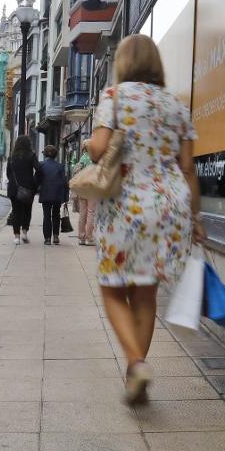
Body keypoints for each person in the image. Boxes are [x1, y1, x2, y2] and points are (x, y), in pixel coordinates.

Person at [84, 35, 203, 404]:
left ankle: (136, 364)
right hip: (170, 208)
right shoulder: (177, 105)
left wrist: (90, 144)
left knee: (112, 288)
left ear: (123, 63)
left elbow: (99, 149)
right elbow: (188, 168)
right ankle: (136, 369)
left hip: (126, 205)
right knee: (145, 292)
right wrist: (195, 217)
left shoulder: (114, 97)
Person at [6, 135, 38, 244]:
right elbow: (38, 169)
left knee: (16, 212)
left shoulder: (11, 158)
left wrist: (13, 182)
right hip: (28, 188)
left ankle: (16, 237)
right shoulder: (31, 155)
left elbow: (8, 173)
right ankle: (24, 232)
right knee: (27, 211)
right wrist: (34, 182)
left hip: (14, 188)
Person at [36, 145, 68, 245]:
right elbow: (64, 182)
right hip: (57, 194)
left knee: (46, 215)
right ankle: (56, 236)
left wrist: (35, 189)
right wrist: (66, 197)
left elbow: (37, 179)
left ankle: (47, 239)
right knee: (56, 214)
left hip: (45, 193)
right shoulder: (60, 166)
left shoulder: (41, 165)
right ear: (55, 155)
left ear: (45, 154)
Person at [73, 149, 97, 245]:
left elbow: (75, 172)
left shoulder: (82, 159)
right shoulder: (95, 159)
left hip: (82, 188)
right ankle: (89, 238)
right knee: (91, 212)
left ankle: (81, 238)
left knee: (82, 213)